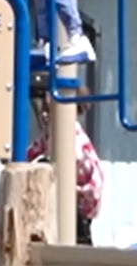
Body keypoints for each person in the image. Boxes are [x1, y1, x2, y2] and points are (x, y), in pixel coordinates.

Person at [25, 99, 104, 245]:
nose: (44, 115)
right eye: (43, 110)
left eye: (48, 111)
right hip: (75, 190)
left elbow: (81, 162)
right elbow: (34, 149)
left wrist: (50, 164)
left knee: (75, 233)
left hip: (84, 195)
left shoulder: (70, 133)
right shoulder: (52, 132)